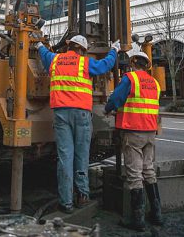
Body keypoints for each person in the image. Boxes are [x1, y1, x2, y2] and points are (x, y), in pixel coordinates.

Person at [34, 35, 120, 213]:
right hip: (81, 114)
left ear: (69, 46)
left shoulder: (55, 60)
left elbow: (43, 53)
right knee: (81, 156)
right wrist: (114, 50)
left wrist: (39, 44)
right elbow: (105, 65)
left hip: (61, 114)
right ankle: (82, 195)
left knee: (65, 158)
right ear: (82, 49)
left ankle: (66, 202)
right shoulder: (85, 63)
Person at [104, 48, 162, 231]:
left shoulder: (130, 79)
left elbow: (116, 99)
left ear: (133, 63)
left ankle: (138, 220)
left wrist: (107, 108)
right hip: (150, 132)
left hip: (133, 131)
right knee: (149, 171)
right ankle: (157, 214)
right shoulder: (155, 83)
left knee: (135, 174)